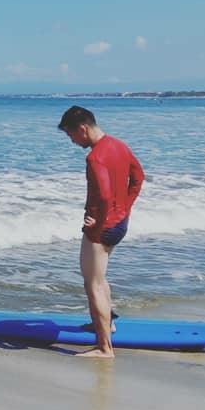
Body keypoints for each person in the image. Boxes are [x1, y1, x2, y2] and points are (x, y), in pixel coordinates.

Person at [58, 105, 144, 358]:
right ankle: (110, 324)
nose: (71, 141)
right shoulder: (119, 145)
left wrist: (97, 223)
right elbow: (138, 177)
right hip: (120, 224)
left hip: (102, 228)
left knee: (92, 284)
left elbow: (105, 195)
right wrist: (125, 208)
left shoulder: (95, 158)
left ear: (82, 129)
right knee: (100, 277)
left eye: (70, 135)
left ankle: (105, 348)